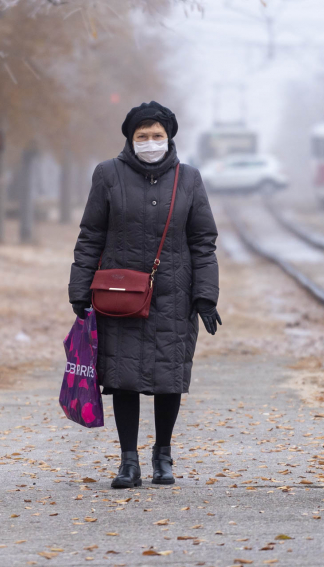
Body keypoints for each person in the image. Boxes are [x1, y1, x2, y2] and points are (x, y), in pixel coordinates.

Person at [68, 101, 221, 489]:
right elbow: (90, 235)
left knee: (169, 378)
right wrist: (79, 288)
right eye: (142, 136)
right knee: (124, 378)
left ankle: (163, 456)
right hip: (119, 295)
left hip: (175, 295)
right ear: (130, 139)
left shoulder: (188, 178)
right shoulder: (108, 175)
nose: (150, 142)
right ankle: (128, 461)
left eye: (157, 136)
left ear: (169, 138)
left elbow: (203, 240)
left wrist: (205, 296)